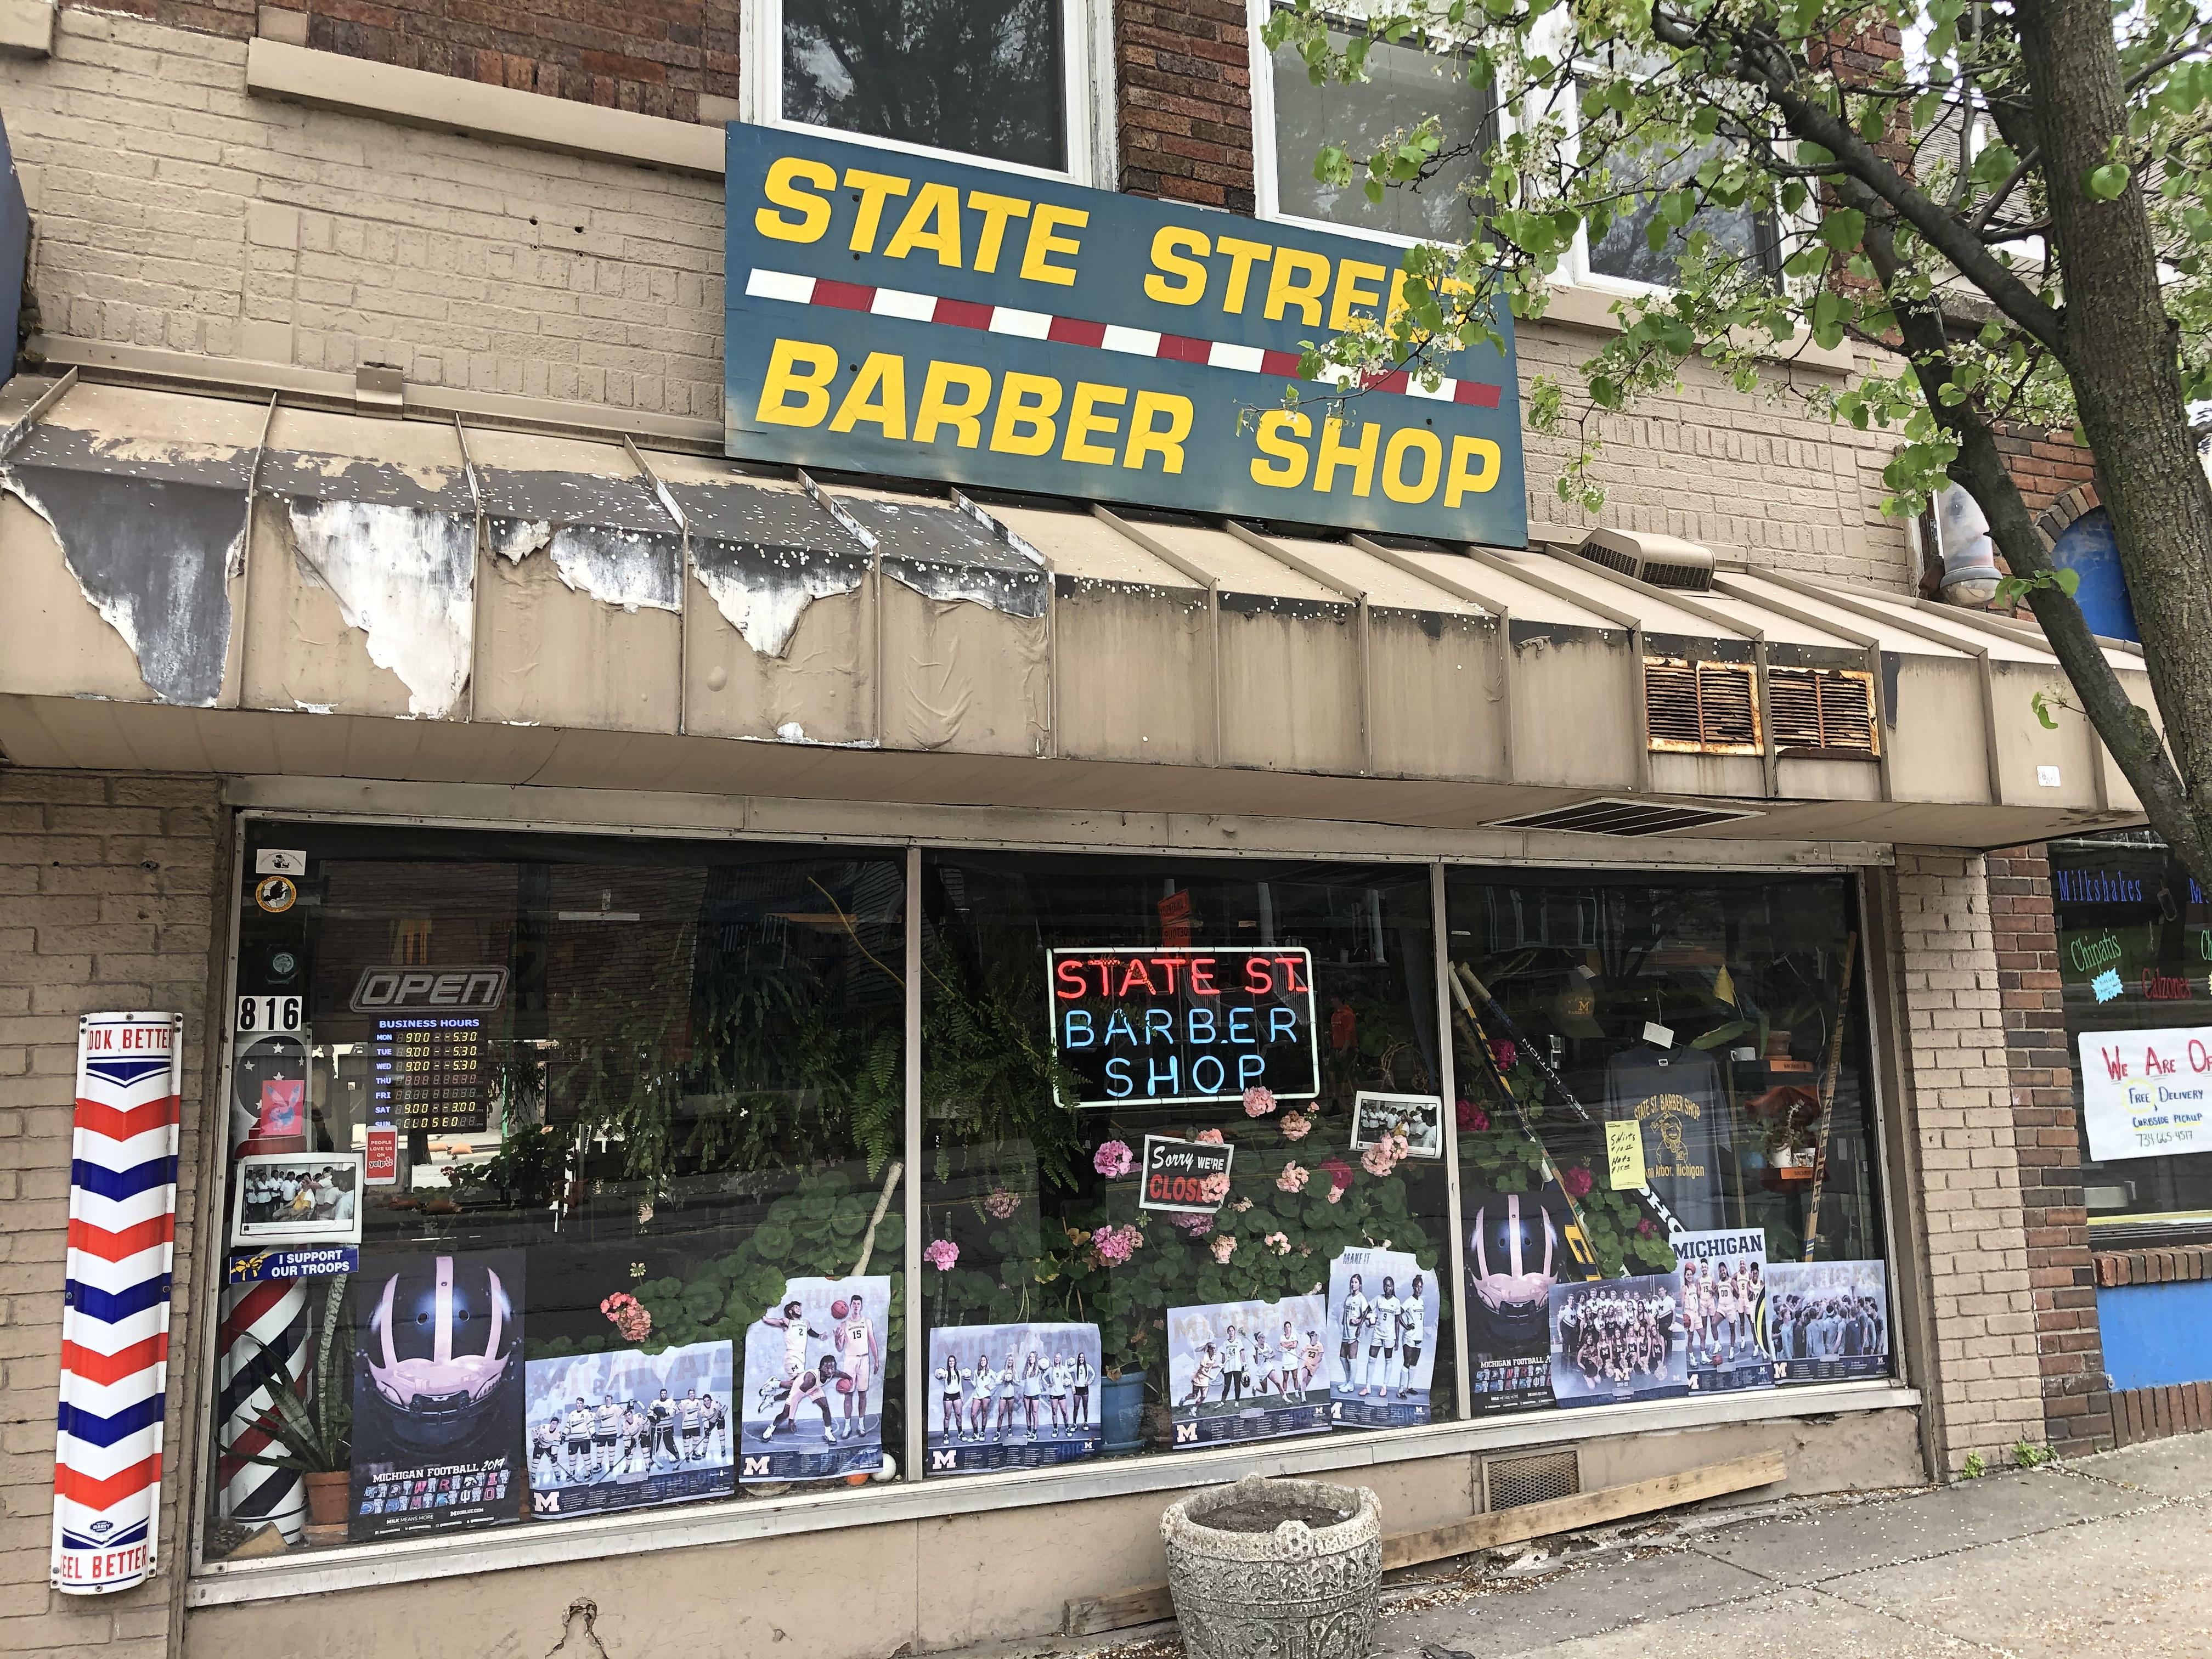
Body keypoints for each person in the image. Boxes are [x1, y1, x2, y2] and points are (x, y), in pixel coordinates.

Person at [834, 1293, 879, 1442]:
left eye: (858, 1304)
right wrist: (837, 1339)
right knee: (848, 1394)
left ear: (861, 1306)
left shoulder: (867, 1321)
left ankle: (861, 1424)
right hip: (850, 1360)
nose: (856, 1306)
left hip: (864, 1359)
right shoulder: (844, 1324)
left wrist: (876, 1359)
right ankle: (847, 1426)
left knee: (862, 1394)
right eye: (854, 1303)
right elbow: (840, 1348)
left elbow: (872, 1340)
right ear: (850, 1306)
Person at [760, 1299, 822, 1384]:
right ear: (790, 1311)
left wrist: (820, 1336)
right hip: (792, 1357)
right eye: (796, 1307)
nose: (799, 1309)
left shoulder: (805, 1322)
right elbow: (767, 1320)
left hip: (801, 1358)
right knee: (801, 1383)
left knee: (796, 1386)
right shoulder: (787, 1322)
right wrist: (761, 1310)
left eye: (799, 1307)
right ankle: (775, 1384)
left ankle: (776, 1388)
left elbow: (810, 1332)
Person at [1368, 1277, 1402, 1398]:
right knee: (1371, 1359)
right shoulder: (1378, 1299)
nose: (1387, 1288)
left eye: (1389, 1286)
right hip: (1378, 1333)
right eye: (1385, 1285)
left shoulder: (1396, 1302)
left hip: (1389, 1335)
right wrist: (1362, 1321)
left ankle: (1384, 1386)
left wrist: (1397, 1339)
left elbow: (1397, 1322)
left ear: (1393, 1287)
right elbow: (1367, 1309)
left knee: (1388, 1360)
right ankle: (1368, 1386)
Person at [1338, 1273, 1369, 1395]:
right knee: (1342, 1357)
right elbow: (1346, 1312)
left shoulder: (1361, 1298)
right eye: (1352, 1282)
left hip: (1354, 1332)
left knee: (1352, 1358)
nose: (1353, 1284)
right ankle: (1347, 1381)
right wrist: (1343, 1320)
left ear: (1360, 1285)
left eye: (1356, 1282)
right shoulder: (1349, 1297)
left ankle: (1351, 1384)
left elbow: (1366, 1313)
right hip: (1346, 1331)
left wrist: (1359, 1324)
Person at [1399, 1276, 1426, 1400]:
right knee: (1407, 1362)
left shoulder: (1421, 1302)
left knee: (1414, 1363)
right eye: (1417, 1286)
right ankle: (1401, 1390)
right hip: (1409, 1336)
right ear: (1413, 1287)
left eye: (1421, 1287)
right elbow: (1398, 1313)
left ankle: (1409, 1387)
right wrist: (1406, 1326)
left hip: (1419, 1336)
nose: (1419, 1289)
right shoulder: (1409, 1301)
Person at [562, 1396, 595, 1480]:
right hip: (573, 1439)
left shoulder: (587, 1413)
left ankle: (589, 1471)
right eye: (578, 1403)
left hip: (584, 1438)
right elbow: (568, 1426)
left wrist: (593, 1434)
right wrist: (564, 1435)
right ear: (576, 1404)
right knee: (572, 1457)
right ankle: (572, 1472)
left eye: (581, 1403)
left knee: (586, 1456)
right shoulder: (572, 1414)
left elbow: (591, 1424)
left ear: (583, 1404)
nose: (579, 1405)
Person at [934, 1355, 964, 1440]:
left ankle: (960, 1433)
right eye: (950, 1361)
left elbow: (960, 1386)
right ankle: (946, 1435)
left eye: (953, 1361)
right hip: (948, 1395)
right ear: (948, 1363)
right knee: (947, 1416)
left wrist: (962, 1397)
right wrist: (938, 1374)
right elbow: (938, 1376)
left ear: (955, 1362)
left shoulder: (959, 1373)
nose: (952, 1363)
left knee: (958, 1415)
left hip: (957, 1395)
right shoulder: (945, 1373)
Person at [593, 1392, 624, 1475]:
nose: (608, 1401)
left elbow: (623, 1415)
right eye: (607, 1400)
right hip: (602, 1433)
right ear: (605, 1401)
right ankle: (599, 1465)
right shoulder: (601, 1408)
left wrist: (630, 1407)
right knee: (600, 1450)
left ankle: (611, 1464)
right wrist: (588, 1412)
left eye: (610, 1400)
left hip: (612, 1432)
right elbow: (596, 1417)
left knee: (611, 1450)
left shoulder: (616, 1407)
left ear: (612, 1400)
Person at [1071, 1352, 1094, 1429]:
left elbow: (1094, 1374)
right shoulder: (1075, 1367)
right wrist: (1068, 1362)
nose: (1081, 1359)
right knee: (1076, 1407)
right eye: (1080, 1357)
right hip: (1077, 1389)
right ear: (1078, 1359)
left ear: (1084, 1358)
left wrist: (1089, 1382)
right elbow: (1067, 1371)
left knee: (1085, 1407)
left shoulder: (1088, 1366)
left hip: (1085, 1389)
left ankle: (1085, 1423)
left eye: (1082, 1357)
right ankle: (1074, 1424)